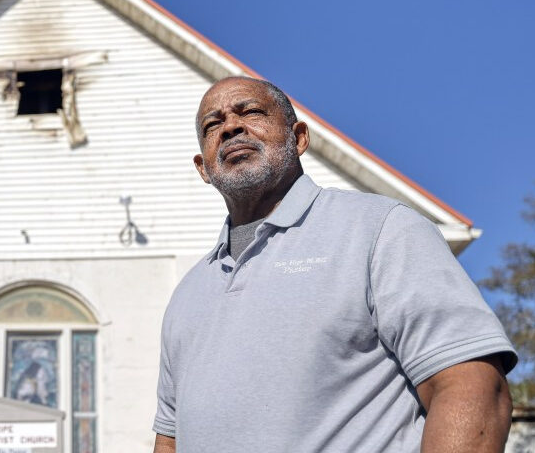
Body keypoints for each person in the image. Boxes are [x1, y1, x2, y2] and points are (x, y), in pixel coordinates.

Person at [153, 76, 516, 452]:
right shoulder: (188, 293)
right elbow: (170, 439)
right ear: (203, 168)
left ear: (299, 138)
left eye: (251, 112)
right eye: (213, 125)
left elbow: (472, 387)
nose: (230, 126)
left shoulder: (380, 230)